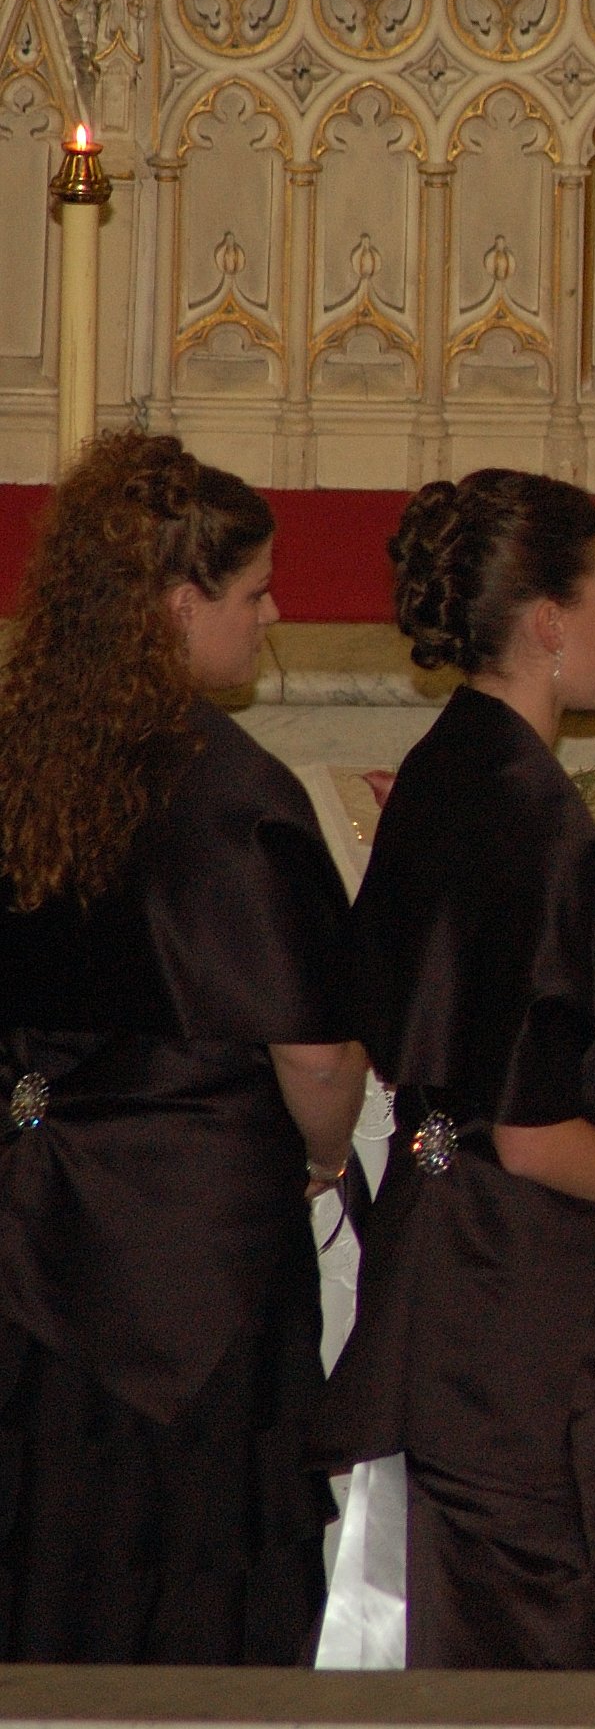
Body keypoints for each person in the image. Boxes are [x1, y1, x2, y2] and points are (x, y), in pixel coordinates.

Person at [312, 469, 595, 1672]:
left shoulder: (443, 765)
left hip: (434, 1241)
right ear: (548, 620)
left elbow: (443, 1035)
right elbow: (534, 1134)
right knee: (547, 1617)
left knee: (460, 1600)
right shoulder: (544, 827)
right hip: (513, 1288)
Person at [0, 433, 366, 1663]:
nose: (273, 615)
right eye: (254, 591)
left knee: (54, 1542)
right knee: (197, 1557)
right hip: (194, 1249)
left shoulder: (24, 753)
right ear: (177, 605)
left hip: (34, 1217)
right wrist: (326, 1157)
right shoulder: (232, 792)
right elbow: (317, 1057)